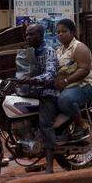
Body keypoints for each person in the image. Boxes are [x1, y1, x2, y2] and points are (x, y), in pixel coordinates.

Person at [18, 24, 58, 174]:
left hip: (48, 92)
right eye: (27, 35)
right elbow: (21, 70)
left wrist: (33, 80)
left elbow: (51, 74)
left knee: (45, 124)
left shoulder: (49, 51)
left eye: (31, 35)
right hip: (31, 92)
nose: (28, 37)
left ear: (41, 36)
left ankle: (49, 165)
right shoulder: (27, 52)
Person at [55, 19, 92, 139]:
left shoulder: (79, 48)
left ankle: (81, 126)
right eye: (58, 32)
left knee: (64, 100)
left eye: (64, 31)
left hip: (84, 85)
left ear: (72, 32)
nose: (60, 34)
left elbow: (84, 70)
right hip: (66, 86)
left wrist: (65, 81)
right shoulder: (59, 50)